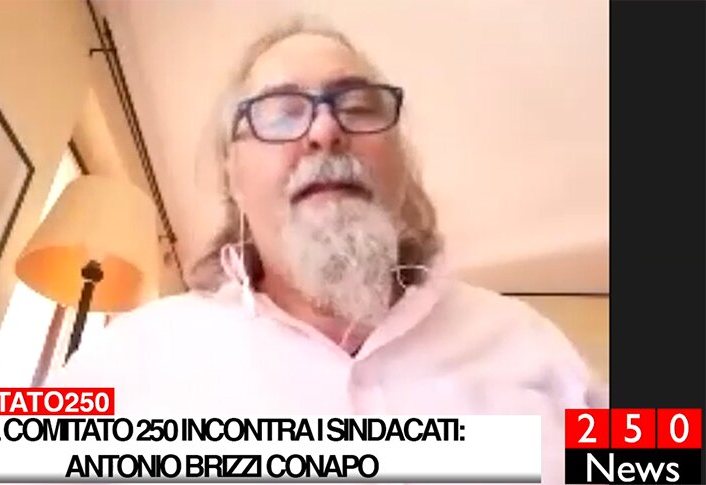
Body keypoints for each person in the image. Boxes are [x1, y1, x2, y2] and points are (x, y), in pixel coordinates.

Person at [51, 17, 606, 483]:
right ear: (234, 176)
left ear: (401, 164)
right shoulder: (127, 360)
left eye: (358, 106)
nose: (324, 130)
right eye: (280, 111)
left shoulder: (528, 342)